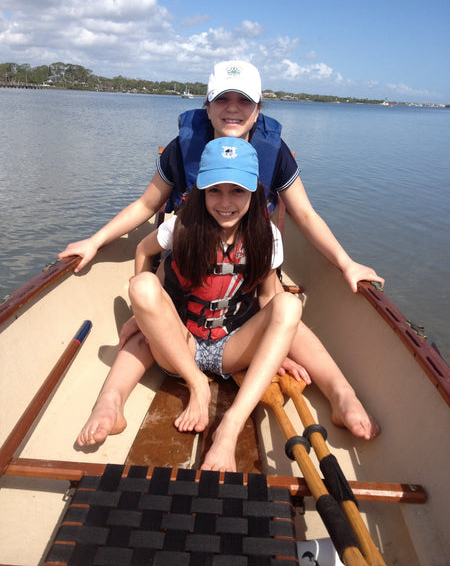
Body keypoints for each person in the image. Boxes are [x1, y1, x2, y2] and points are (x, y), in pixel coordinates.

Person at [69, 60, 382, 444]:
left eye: (244, 101)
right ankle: (110, 403)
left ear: (258, 109)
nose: (233, 108)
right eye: (223, 100)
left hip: (239, 308)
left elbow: (303, 214)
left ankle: (341, 393)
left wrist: (344, 264)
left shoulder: (273, 170)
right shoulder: (181, 192)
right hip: (183, 318)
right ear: (207, 106)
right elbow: (146, 208)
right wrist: (95, 242)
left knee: (288, 314)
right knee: (141, 332)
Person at [81, 138, 304, 472]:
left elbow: (269, 298)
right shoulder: (180, 227)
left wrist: (276, 346)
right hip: (181, 347)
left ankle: (229, 427)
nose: (225, 202)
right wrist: (141, 317)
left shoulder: (266, 236)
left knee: (289, 306)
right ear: (200, 192)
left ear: (254, 193)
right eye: (215, 191)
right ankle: (111, 404)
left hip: (230, 347)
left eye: (237, 191)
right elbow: (143, 250)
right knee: (142, 290)